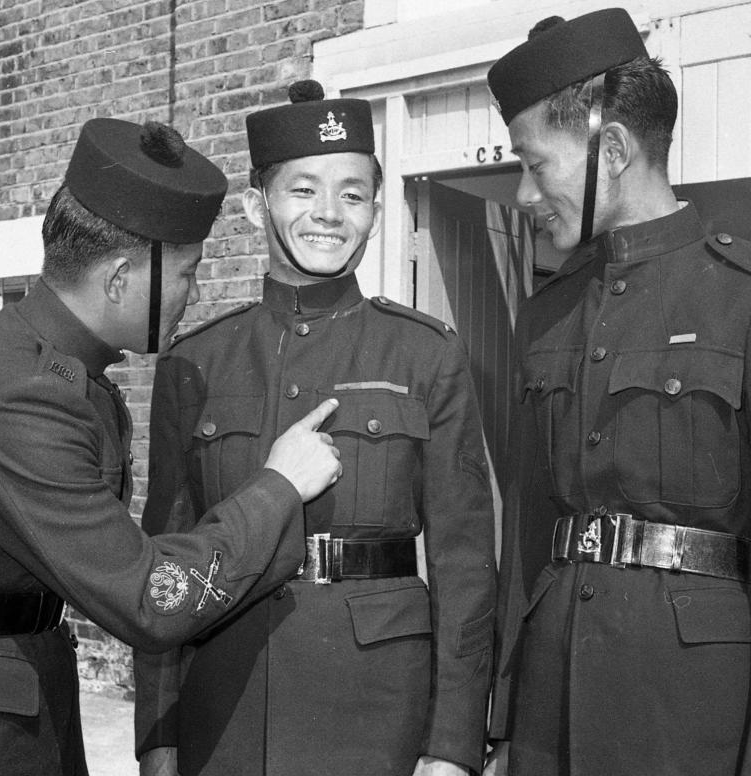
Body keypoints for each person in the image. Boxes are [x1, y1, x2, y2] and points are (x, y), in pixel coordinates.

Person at [0, 118, 343, 776]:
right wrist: (279, 487)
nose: (190, 296)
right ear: (119, 277)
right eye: (186, 275)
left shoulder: (57, 370)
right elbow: (146, 598)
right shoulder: (22, 396)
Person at [482, 9, 751, 776]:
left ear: (612, 148)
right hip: (549, 711)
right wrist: (504, 727)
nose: (523, 192)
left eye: (535, 165)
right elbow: (527, 540)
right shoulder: (547, 312)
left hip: (695, 721)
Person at [133, 80, 497, 776]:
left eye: (353, 195)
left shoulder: (425, 353)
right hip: (228, 702)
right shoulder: (195, 363)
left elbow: (464, 567)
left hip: (378, 710)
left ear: (376, 211)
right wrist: (159, 738)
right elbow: (165, 565)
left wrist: (450, 747)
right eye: (303, 191)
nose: (329, 214)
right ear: (253, 206)